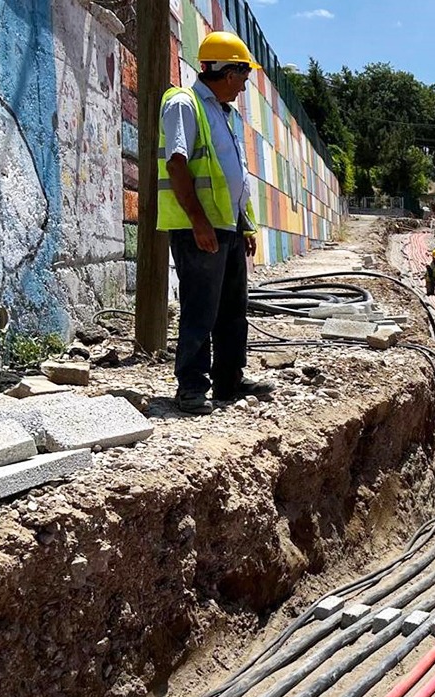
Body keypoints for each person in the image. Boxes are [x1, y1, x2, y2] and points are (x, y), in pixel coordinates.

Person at [158, 30, 275, 415]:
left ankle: (229, 380)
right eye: (243, 77)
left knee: (231, 309)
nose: (244, 86)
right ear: (228, 73)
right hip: (200, 228)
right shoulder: (184, 103)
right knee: (200, 309)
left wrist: (244, 225)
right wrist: (199, 222)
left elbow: (232, 174)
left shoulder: (223, 113)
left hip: (227, 227)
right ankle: (191, 386)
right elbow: (177, 163)